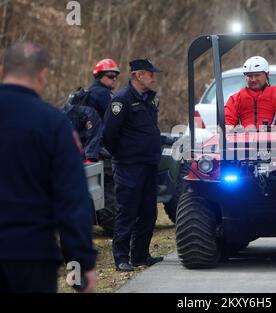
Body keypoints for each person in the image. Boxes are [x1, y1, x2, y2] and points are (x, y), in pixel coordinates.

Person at [0, 42, 97, 292]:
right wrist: (81, 262)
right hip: (32, 257)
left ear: (1, 71)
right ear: (42, 75)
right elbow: (73, 199)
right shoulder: (54, 124)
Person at [103, 59, 163, 272]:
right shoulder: (121, 100)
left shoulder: (149, 99)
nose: (153, 78)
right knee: (127, 211)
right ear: (139, 76)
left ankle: (140, 255)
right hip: (129, 166)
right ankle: (121, 257)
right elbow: (109, 135)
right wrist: (124, 155)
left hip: (148, 164)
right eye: (150, 74)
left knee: (148, 212)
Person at [225, 56, 276, 131]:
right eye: (249, 76)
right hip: (243, 140)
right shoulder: (236, 98)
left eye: (257, 75)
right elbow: (227, 118)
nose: (253, 79)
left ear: (267, 74)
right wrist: (228, 127)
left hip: (274, 139)